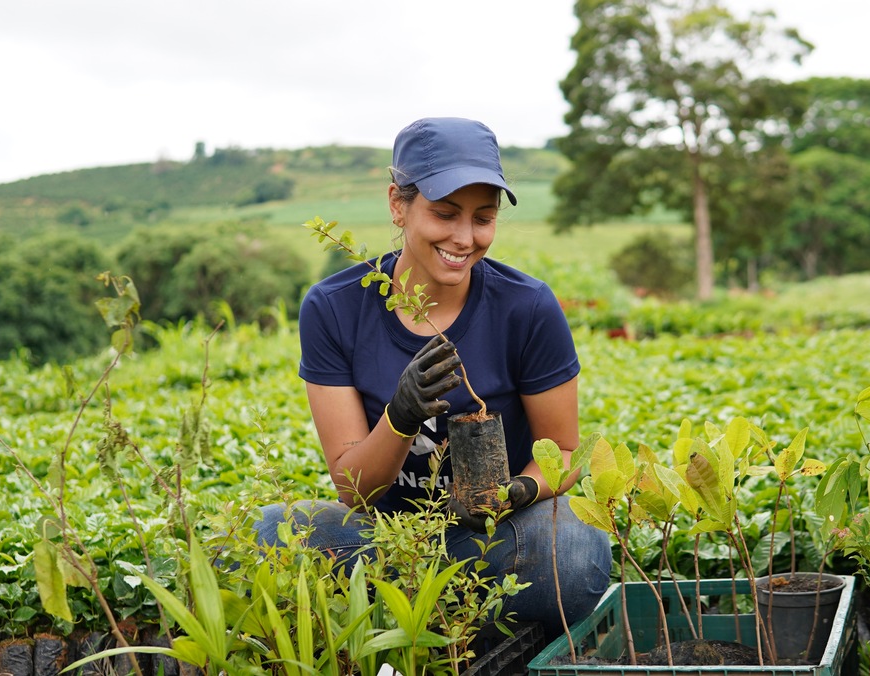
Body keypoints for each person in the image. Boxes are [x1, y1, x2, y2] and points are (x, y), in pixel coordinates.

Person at [255, 117, 610, 637]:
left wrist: (519, 492)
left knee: (577, 550)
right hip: (390, 540)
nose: (464, 238)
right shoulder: (332, 308)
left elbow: (564, 454)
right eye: (445, 214)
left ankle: (408, 619)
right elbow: (354, 492)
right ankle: (466, 619)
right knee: (274, 532)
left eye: (483, 218)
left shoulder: (527, 307)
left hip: (497, 540)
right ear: (398, 204)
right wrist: (400, 418)